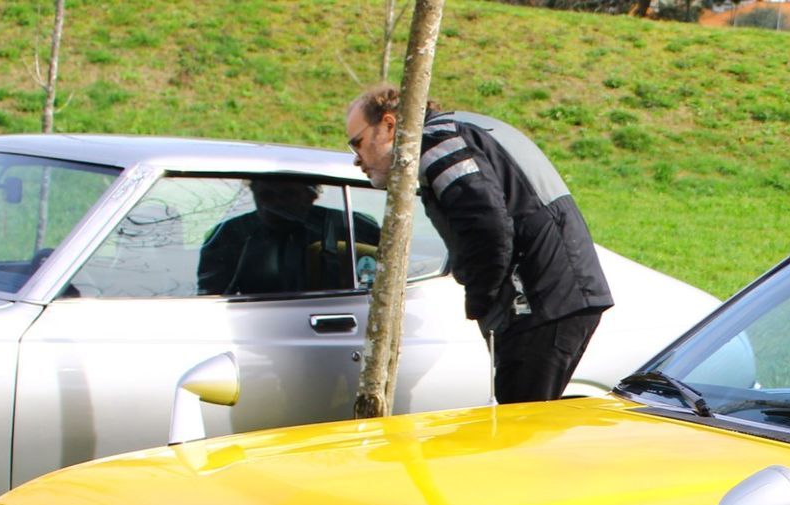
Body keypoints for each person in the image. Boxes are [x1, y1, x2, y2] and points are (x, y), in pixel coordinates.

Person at [344, 84, 614, 403]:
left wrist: (480, 299)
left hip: (539, 302)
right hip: (561, 295)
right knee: (528, 417)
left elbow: (485, 224)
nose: (357, 160)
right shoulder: (459, 127)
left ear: (389, 125)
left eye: (357, 143)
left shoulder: (436, 143)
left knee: (518, 421)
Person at [197, 178, 377, 296]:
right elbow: (210, 295)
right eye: (267, 196)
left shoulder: (350, 227)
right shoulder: (231, 235)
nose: (276, 204)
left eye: (288, 195)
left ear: (311, 196)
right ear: (254, 195)